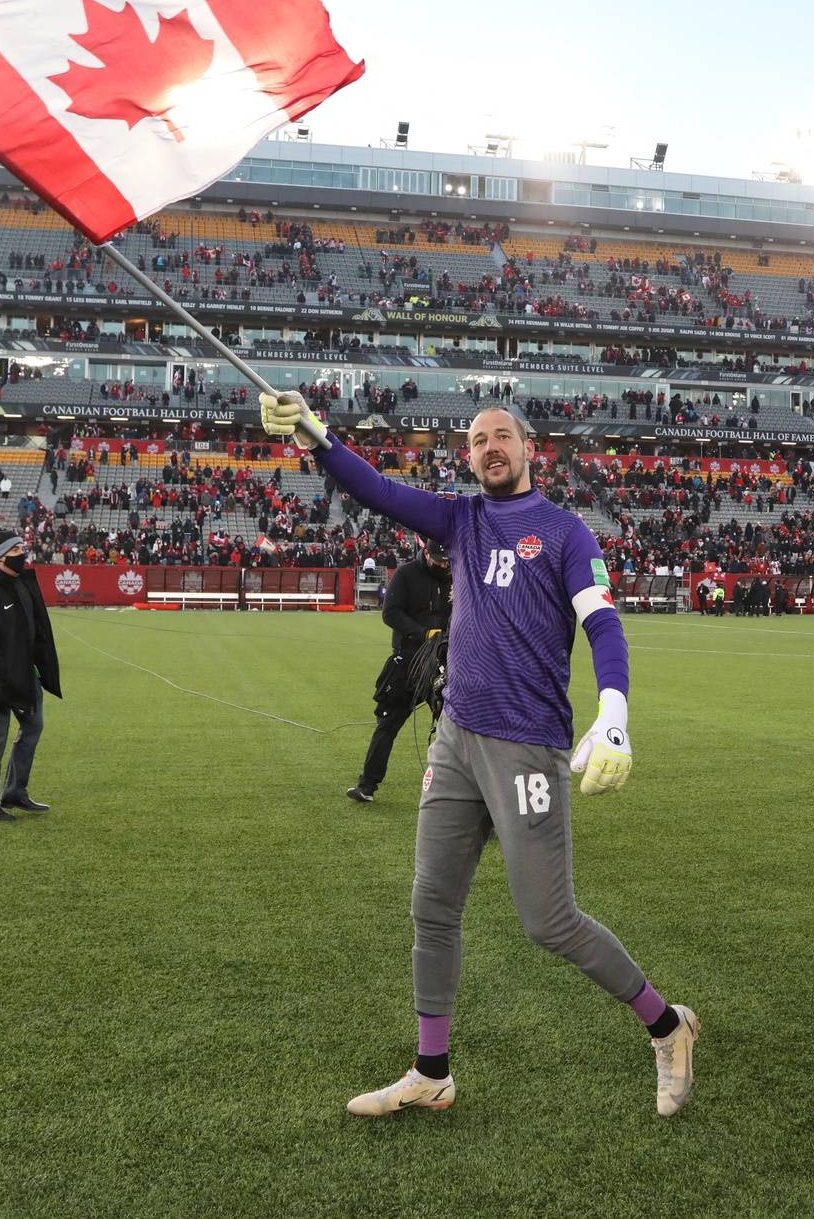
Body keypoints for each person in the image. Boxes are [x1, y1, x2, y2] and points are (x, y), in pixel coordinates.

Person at [261, 392, 699, 1118]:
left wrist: (614, 710)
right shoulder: (460, 519)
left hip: (527, 747)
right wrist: (316, 437)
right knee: (432, 906)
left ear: (531, 449)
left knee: (550, 921)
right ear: (468, 457)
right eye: (476, 439)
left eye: (502, 435)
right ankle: (431, 1071)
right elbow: (379, 489)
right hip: (456, 739)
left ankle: (666, 1024)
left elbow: (604, 624)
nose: (489, 446)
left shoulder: (564, 532)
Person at [0, 530, 62, 822]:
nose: (24, 552)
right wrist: (5, 675)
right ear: (1, 555)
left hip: (24, 673)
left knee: (33, 726)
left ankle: (15, 791)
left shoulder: (19, 583)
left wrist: (39, 665)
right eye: (18, 548)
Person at [350, 536, 452, 803]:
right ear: (426, 553)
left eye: (447, 561)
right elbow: (390, 613)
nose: (444, 566)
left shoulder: (454, 574)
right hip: (407, 662)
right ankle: (367, 785)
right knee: (388, 723)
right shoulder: (406, 574)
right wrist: (422, 633)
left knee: (454, 728)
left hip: (443, 662)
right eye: (439, 560)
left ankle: (460, 793)